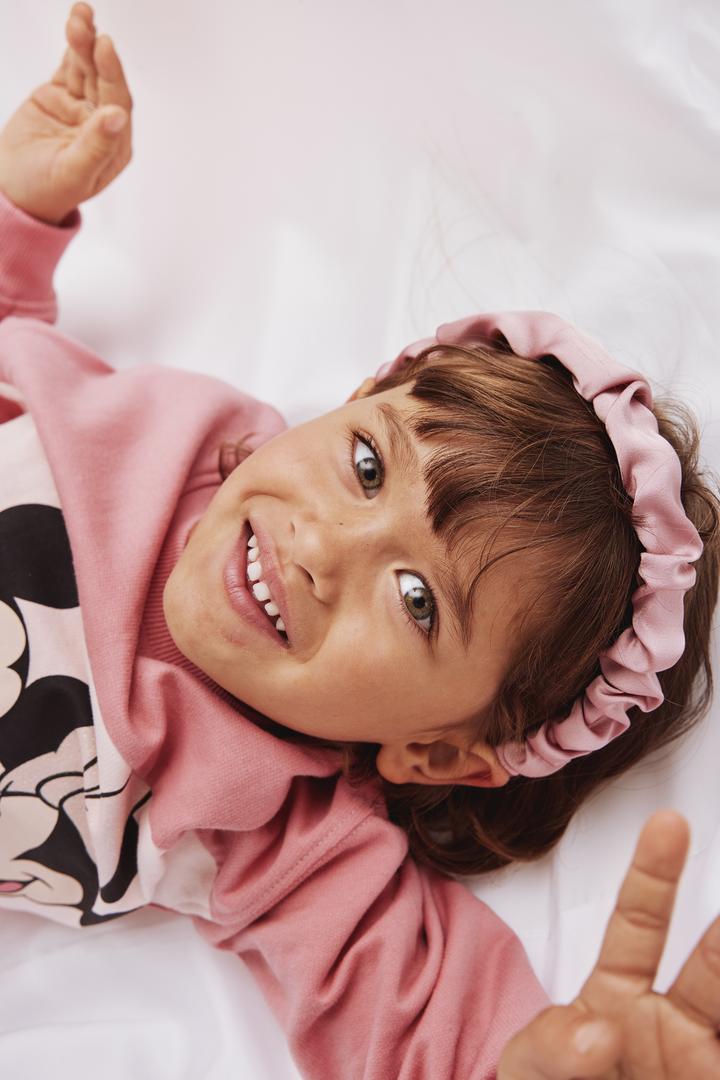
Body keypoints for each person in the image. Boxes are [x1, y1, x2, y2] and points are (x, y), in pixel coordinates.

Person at [0, 5, 719, 1077]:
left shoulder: (278, 833)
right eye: (370, 466)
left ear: (438, 752)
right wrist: (22, 211)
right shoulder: (151, 433)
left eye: (419, 600)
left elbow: (434, 1030)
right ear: (349, 403)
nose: (326, 546)